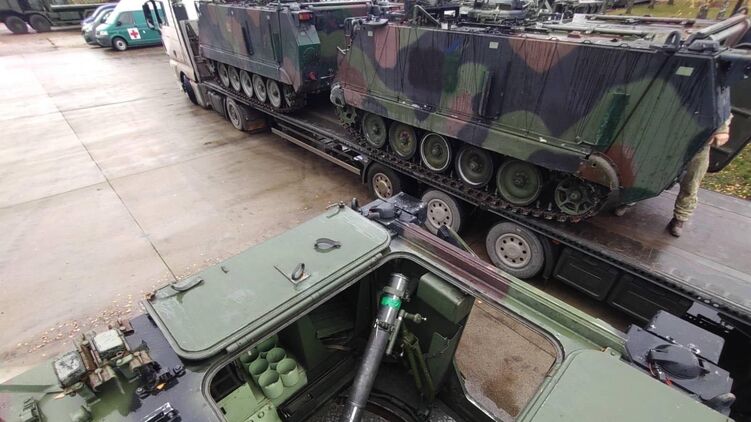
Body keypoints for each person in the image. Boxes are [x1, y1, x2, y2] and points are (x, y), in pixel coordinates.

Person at [667, 117, 732, 237]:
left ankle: (680, 218)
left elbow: (721, 112)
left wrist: (721, 129)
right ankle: (635, 196)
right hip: (671, 136)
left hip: (699, 144)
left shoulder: (716, 105)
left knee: (691, 183)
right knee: (651, 171)